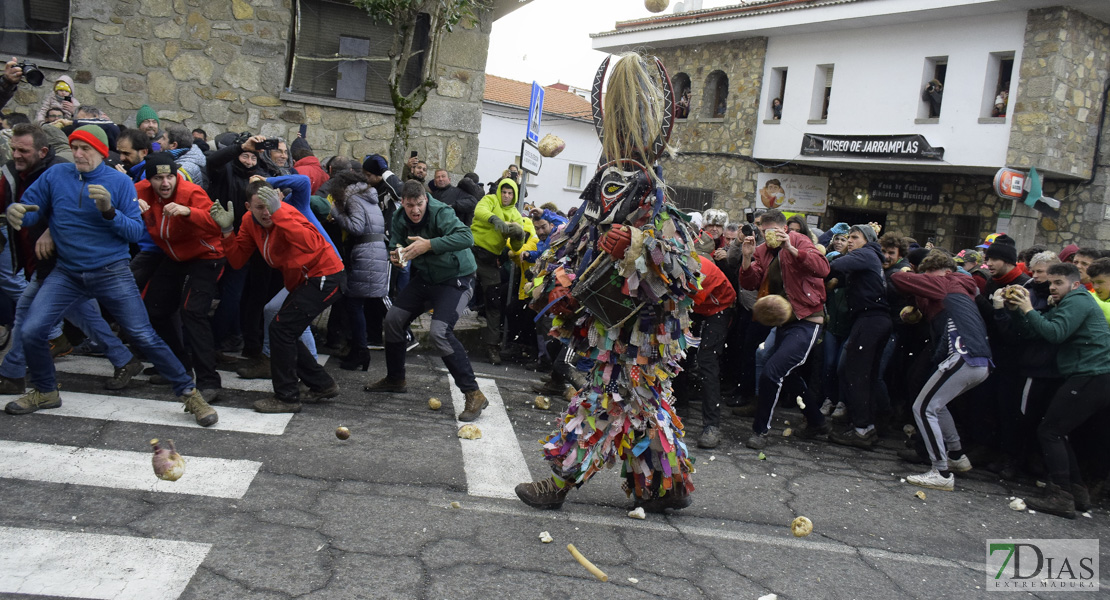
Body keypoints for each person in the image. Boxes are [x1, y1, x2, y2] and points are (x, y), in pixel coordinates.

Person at [514, 53, 700, 514]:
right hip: (604, 327)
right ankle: (664, 487)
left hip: (641, 337)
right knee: (644, 407)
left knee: (608, 401)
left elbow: (686, 274)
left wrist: (639, 246)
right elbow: (565, 246)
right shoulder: (591, 212)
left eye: (621, 187)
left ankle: (557, 484)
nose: (610, 194)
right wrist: (552, 278)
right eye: (606, 186)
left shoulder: (661, 216)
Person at [4, 125, 217, 427]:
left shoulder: (118, 182)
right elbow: (33, 209)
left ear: (102, 153)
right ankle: (45, 390)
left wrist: (108, 211)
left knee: (144, 335)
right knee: (31, 330)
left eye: (85, 148)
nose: (78, 154)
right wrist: (18, 211)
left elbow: (134, 230)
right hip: (67, 272)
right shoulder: (56, 175)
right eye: (74, 147)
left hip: (111, 271)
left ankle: (190, 394)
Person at [212, 179, 345, 413]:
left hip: (325, 275)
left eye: (268, 205)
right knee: (284, 330)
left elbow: (312, 244)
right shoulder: (248, 222)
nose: (265, 213)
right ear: (247, 207)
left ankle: (287, 397)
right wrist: (226, 231)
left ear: (278, 201)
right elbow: (237, 259)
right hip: (305, 280)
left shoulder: (287, 214)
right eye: (259, 207)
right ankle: (322, 384)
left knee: (281, 329)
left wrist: (280, 212)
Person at [363, 181, 488, 421]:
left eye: (419, 204)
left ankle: (473, 393)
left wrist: (428, 245)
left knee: (439, 332)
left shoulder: (442, 212)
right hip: (426, 279)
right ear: (403, 203)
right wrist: (397, 256)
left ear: (425, 199)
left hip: (457, 279)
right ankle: (395, 378)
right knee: (393, 319)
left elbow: (467, 237)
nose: (415, 210)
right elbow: (396, 243)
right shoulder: (399, 218)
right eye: (410, 205)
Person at [1007, 263, 1110, 518]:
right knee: (1058, 432)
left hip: (1092, 374)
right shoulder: (1067, 302)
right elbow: (1034, 331)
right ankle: (1077, 494)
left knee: (1050, 431)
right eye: (1051, 283)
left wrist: (1029, 308)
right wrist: (1018, 311)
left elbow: (1054, 334)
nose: (1052, 287)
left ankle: (1061, 496)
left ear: (1075, 284)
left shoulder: (1078, 301)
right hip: (1088, 374)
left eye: (1058, 283)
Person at [890, 250, 990, 491]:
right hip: (976, 360)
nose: (927, 280)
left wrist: (907, 273)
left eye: (929, 276)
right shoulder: (960, 289)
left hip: (963, 355)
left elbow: (898, 280)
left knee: (922, 408)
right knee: (937, 404)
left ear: (946, 273)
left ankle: (941, 472)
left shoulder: (948, 282)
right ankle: (956, 456)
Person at [135, 152, 226, 401]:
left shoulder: (191, 192)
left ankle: (209, 381)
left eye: (170, 177)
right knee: (155, 309)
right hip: (174, 257)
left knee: (192, 312)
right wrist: (128, 203)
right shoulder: (140, 190)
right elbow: (116, 193)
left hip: (206, 256)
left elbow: (217, 223)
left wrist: (188, 212)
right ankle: (177, 368)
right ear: (149, 179)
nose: (165, 183)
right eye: (158, 178)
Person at [739, 209, 831, 449]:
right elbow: (749, 282)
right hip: (783, 321)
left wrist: (791, 248)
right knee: (787, 373)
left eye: (769, 231)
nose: (765, 235)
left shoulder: (800, 241)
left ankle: (760, 431)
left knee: (772, 370)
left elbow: (823, 269)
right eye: (762, 231)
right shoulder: (762, 250)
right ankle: (817, 421)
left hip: (807, 319)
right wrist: (747, 258)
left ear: (782, 229)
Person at [826, 224, 891, 448]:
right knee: (866, 375)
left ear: (868, 240)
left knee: (855, 373)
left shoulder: (866, 253)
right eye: (849, 237)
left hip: (870, 319)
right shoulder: (870, 258)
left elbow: (837, 265)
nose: (850, 241)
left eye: (855, 237)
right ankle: (868, 425)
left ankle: (861, 429)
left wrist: (817, 262)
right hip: (875, 320)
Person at [327, 170, 389, 371]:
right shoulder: (368, 196)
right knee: (356, 304)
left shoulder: (353, 198)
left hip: (365, 253)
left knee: (353, 304)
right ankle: (358, 350)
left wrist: (336, 212)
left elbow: (356, 227)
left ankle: (360, 351)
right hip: (376, 252)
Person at [471, 177, 529, 365]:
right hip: (471, 251)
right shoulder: (490, 200)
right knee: (456, 289)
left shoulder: (515, 215)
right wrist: (493, 218)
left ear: (514, 196)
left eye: (510, 193)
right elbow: (479, 211)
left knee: (494, 302)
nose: (506, 195)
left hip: (489, 260)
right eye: (504, 192)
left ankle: (492, 346)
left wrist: (519, 235)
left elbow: (516, 245)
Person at [691, 255, 736, 449]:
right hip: (696, 306)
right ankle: (679, 404)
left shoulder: (699, 268)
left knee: (706, 360)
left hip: (719, 307)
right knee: (678, 352)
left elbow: (685, 297)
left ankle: (712, 425)